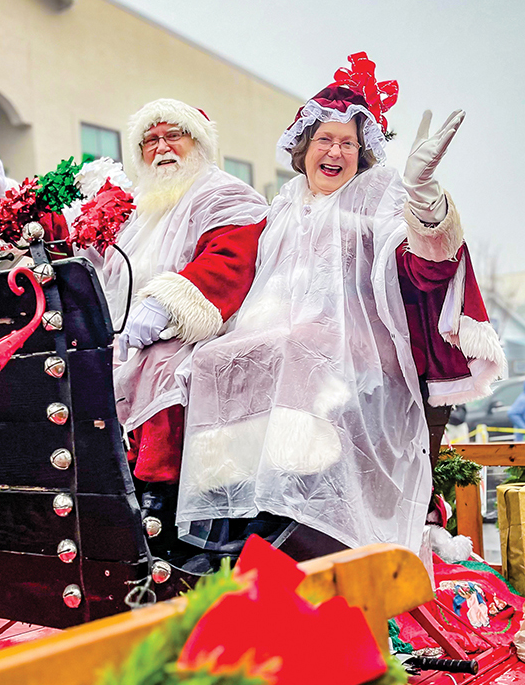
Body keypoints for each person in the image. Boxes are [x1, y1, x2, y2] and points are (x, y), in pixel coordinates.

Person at [178, 53, 505, 556]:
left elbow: (423, 263)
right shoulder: (285, 203)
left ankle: (305, 517)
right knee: (209, 360)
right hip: (282, 339)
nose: (335, 152)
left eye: (348, 143)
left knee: (299, 346)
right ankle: (237, 517)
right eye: (325, 140)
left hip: (356, 349)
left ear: (363, 153)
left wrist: (422, 196)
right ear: (304, 147)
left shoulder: (374, 194)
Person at [0, 100, 269, 549]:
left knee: (161, 366)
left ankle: (157, 500)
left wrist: (167, 303)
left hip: (201, 335)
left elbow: (231, 260)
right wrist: (7, 194)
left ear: (199, 143)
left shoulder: (225, 195)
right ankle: (100, 493)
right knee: (78, 370)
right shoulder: (138, 209)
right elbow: (73, 235)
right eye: (150, 140)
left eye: (173, 136)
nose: (161, 148)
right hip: (124, 338)